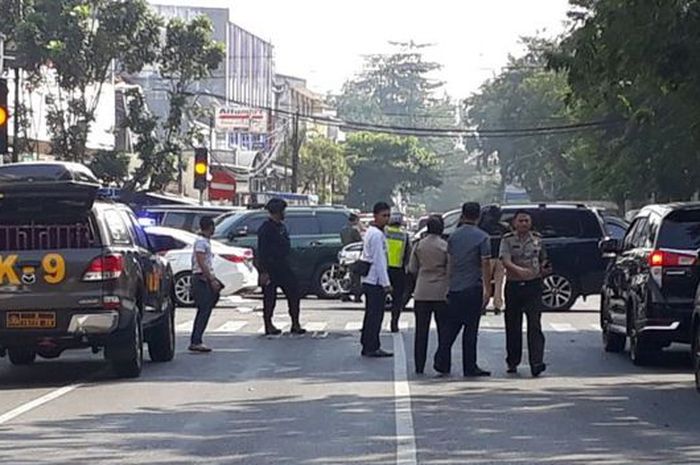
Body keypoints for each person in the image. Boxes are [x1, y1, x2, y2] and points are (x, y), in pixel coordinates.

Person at [434, 202, 491, 377]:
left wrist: (448, 285)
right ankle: (469, 366)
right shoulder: (482, 237)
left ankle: (441, 358)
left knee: (452, 326)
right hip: (473, 288)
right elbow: (485, 264)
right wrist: (487, 290)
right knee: (471, 329)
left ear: (463, 215)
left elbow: (450, 263)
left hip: (456, 288)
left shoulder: (453, 237)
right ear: (478, 216)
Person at [499, 209, 550, 377]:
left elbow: (544, 259)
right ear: (514, 223)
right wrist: (519, 271)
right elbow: (505, 260)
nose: (523, 224)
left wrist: (544, 269)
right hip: (514, 286)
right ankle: (512, 361)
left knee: (534, 324)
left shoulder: (538, 240)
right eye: (520, 221)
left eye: (526, 221)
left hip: (533, 286)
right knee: (513, 325)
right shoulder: (507, 241)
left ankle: (536, 362)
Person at [257, 198, 306, 336]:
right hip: (270, 267)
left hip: (283, 266)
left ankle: (295, 323)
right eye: (283, 211)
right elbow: (262, 251)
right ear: (277, 212)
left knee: (294, 292)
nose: (285, 213)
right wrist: (263, 271)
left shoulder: (281, 227)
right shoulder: (266, 229)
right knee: (269, 298)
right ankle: (268, 324)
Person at [408, 215, 449, 374]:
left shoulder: (419, 245)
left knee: (421, 331)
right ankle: (443, 364)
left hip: (422, 291)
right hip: (440, 291)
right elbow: (450, 269)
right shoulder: (445, 246)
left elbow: (412, 268)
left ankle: (419, 365)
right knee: (443, 331)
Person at [360, 201, 393, 358]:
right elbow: (379, 261)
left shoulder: (372, 232)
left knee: (371, 314)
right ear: (375, 216)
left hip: (370, 279)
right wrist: (386, 284)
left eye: (388, 215)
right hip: (375, 280)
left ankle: (368, 344)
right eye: (383, 215)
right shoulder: (376, 235)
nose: (386, 219)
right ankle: (372, 346)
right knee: (375, 315)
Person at [189, 216, 223, 353]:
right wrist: (211, 279)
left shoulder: (205, 242)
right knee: (204, 309)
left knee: (207, 307)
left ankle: (197, 339)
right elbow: (201, 262)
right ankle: (196, 340)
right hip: (200, 278)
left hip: (204, 277)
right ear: (210, 227)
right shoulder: (201, 243)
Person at [386, 212, 411, 332]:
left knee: (379, 298)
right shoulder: (404, 235)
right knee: (397, 299)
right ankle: (394, 323)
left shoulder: (385, 232)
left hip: (384, 269)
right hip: (399, 270)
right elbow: (408, 254)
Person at [481, 206, 507, 314]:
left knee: (485, 282)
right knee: (499, 283)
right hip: (500, 258)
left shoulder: (483, 227)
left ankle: (483, 304)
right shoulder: (504, 227)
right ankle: (498, 305)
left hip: (487, 257)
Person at [341, 214, 364, 303]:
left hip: (345, 254)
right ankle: (357, 296)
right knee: (356, 276)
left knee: (346, 275)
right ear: (354, 220)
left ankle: (344, 294)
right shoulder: (354, 230)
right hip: (354, 254)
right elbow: (360, 242)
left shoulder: (343, 230)